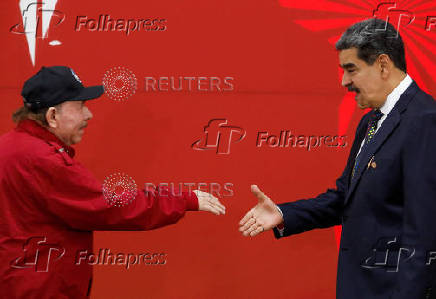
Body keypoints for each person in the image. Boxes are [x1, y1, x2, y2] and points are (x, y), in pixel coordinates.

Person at [239, 18, 436, 299]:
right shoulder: (370, 122)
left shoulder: (425, 122)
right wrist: (284, 214)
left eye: (351, 69)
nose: (344, 81)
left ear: (382, 64)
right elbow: (345, 198)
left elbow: (425, 234)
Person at [0, 66, 226, 299]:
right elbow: (110, 206)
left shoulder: (9, 147)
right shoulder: (44, 160)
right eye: (80, 107)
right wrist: (183, 199)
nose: (89, 115)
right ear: (52, 116)